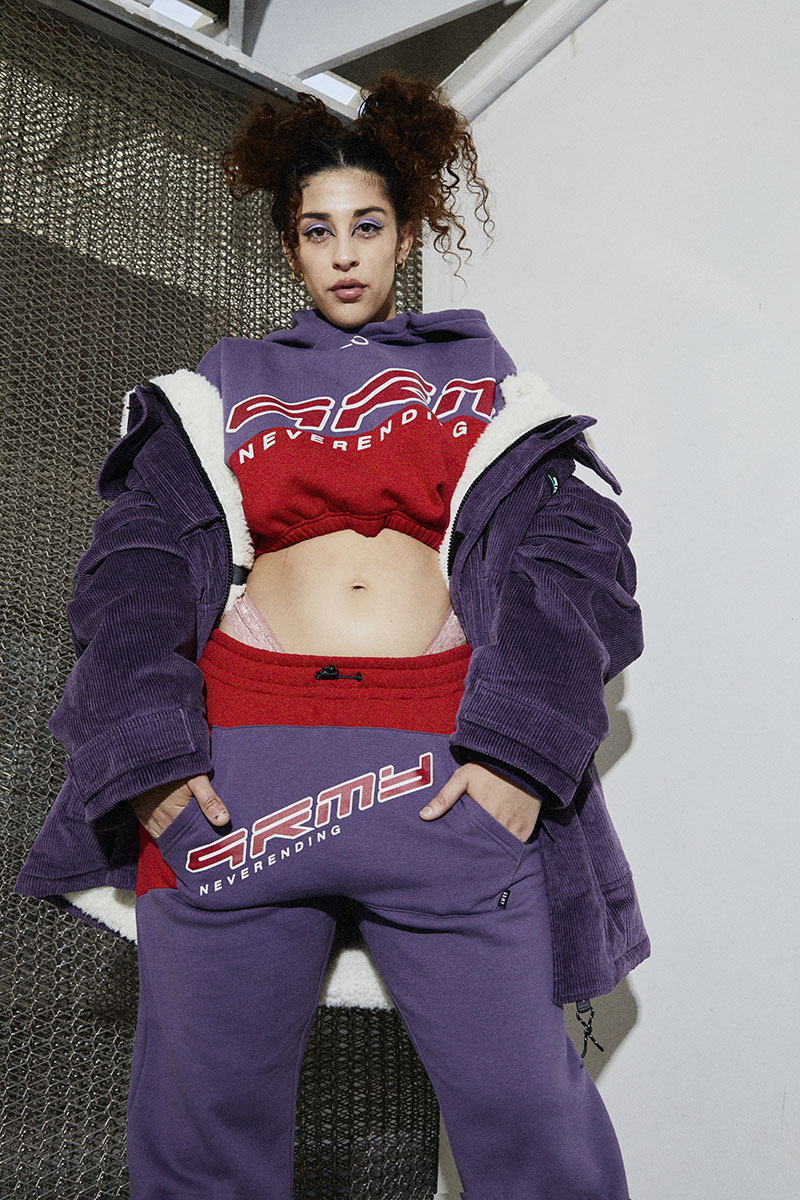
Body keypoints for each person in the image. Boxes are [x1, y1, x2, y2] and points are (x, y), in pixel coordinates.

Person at [17, 76, 649, 1199]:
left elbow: (574, 563)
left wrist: (519, 756)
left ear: (405, 236)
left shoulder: (486, 381)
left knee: (534, 1130)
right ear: (289, 247)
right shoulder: (220, 385)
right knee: (204, 1144)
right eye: (318, 231)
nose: (345, 254)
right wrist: (148, 760)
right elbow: (132, 574)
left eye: (367, 226)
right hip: (237, 775)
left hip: (443, 770)